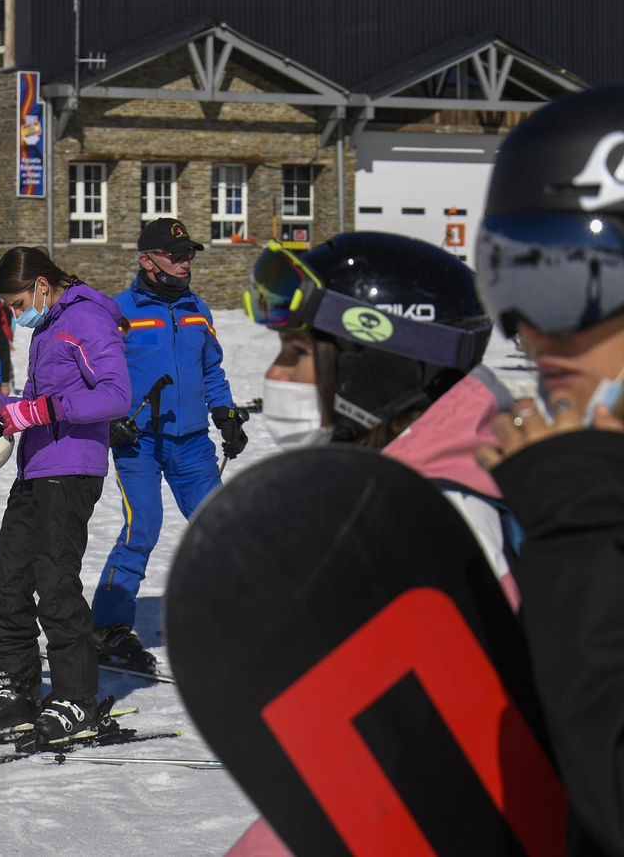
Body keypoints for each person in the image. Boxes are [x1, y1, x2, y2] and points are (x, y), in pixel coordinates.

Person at [226, 231, 504, 857]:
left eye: (297, 353)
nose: (276, 375)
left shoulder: (444, 520)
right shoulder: (395, 490)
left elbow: (433, 773)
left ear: (375, 366)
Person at [467, 85, 624, 855]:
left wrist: (579, 528)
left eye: (572, 283)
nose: (530, 333)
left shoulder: (583, 507)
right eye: (510, 279)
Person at [0, 247, 131, 750]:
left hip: (73, 468)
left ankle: (78, 697)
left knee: (55, 582)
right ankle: (18, 689)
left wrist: (43, 409)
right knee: (7, 582)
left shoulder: (86, 319)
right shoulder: (49, 327)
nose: (14, 314)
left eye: (15, 304)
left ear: (41, 287)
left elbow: (117, 394)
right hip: (36, 468)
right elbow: (34, 405)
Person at [93, 218, 248, 673]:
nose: (186, 261)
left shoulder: (198, 308)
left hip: (192, 442)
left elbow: (211, 370)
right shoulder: (117, 310)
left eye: (189, 254)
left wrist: (226, 413)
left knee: (221, 525)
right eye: (175, 255)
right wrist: (110, 419)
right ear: (147, 261)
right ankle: (107, 627)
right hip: (138, 441)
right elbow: (101, 375)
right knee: (142, 528)